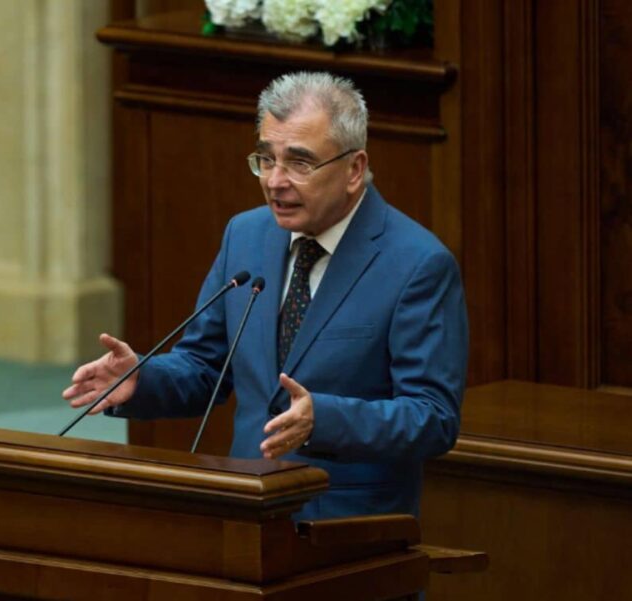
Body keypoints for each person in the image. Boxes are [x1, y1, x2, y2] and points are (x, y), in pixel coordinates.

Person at [62, 71, 468, 520]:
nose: (275, 181)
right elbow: (204, 365)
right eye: (266, 159)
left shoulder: (417, 264)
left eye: (299, 163)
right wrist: (143, 378)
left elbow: (433, 418)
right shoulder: (246, 235)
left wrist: (323, 419)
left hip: (347, 525)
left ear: (354, 169)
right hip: (244, 514)